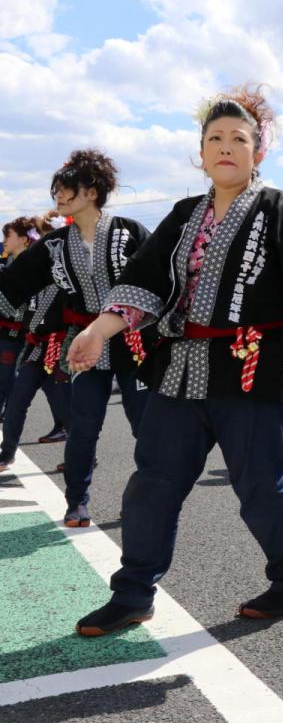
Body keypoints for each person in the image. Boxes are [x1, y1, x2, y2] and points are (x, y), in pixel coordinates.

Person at [69, 85, 283, 636]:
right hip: (179, 368)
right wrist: (100, 328)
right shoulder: (183, 215)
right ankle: (132, 593)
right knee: (152, 483)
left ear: (258, 152)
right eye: (214, 139)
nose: (226, 147)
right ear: (200, 153)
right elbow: (146, 280)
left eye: (238, 140)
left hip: (252, 367)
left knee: (259, 486)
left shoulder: (281, 210)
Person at [0, 150, 151, 528]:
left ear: (93, 191)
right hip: (82, 346)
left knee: (145, 427)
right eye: (57, 189)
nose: (60, 194)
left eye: (68, 187)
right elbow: (12, 287)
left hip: (133, 342)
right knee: (83, 426)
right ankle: (76, 502)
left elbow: (160, 283)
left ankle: (143, 500)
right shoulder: (53, 246)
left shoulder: (130, 232)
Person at [0, 213, 72, 466]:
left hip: (58, 346)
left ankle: (82, 456)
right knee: (17, 402)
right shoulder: (26, 273)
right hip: (35, 346)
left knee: (65, 408)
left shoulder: (66, 272)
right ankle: (6, 454)